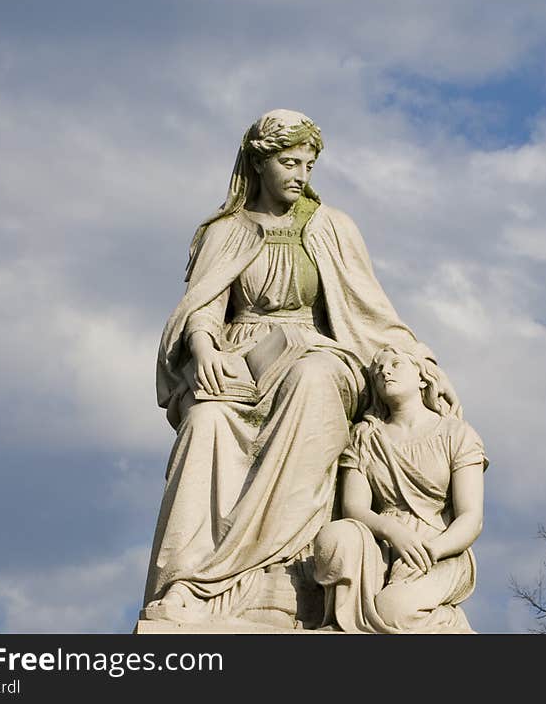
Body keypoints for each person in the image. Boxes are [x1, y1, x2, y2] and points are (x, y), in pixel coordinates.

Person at [143, 109, 458, 625]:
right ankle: (191, 585)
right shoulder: (227, 231)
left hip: (315, 354)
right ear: (259, 163)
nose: (300, 175)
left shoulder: (331, 228)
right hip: (241, 359)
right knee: (205, 422)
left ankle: (285, 575)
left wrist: (422, 363)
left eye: (308, 166)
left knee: (314, 380)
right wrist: (204, 351)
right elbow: (201, 306)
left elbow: (372, 311)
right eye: (289, 163)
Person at [313, 345, 486, 633]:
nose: (385, 371)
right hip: (383, 540)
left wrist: (432, 550)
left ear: (422, 378)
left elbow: (471, 517)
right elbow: (354, 508)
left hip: (439, 547)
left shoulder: (457, 433)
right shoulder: (366, 436)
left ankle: (450, 626)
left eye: (396, 364)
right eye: (379, 369)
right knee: (336, 535)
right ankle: (346, 623)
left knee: (394, 610)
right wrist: (393, 532)